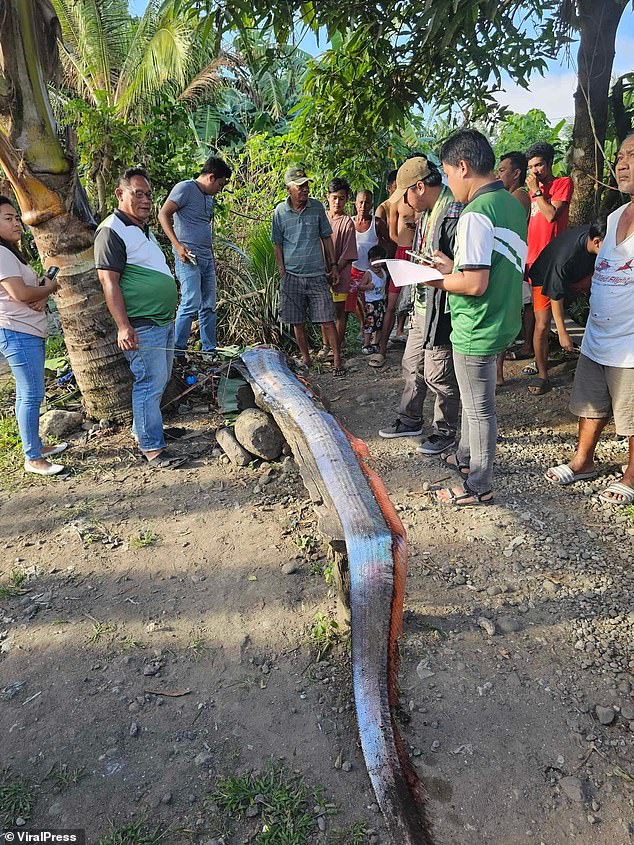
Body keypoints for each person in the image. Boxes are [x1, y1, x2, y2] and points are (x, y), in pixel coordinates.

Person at [428, 129, 528, 506]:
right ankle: (465, 457)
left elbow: (474, 284)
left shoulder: (474, 213)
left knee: (480, 408)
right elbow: (493, 265)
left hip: (476, 325)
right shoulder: (511, 204)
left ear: (464, 167)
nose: (448, 183)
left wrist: (435, 278)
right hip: (503, 318)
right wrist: (454, 267)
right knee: (475, 400)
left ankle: (479, 484)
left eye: (448, 173)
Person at [545, 134, 634, 505]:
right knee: (590, 403)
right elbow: (605, 268)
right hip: (600, 333)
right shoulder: (614, 217)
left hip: (631, 344)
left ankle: (632, 474)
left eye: (633, 155)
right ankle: (583, 461)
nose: (622, 163)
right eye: (620, 156)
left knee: (631, 413)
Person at [95, 168, 185, 470]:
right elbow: (109, 282)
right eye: (138, 193)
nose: (146, 200)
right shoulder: (111, 231)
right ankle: (151, 447)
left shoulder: (141, 228)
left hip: (161, 321)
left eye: (148, 194)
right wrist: (123, 326)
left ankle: (146, 429)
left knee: (158, 380)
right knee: (149, 381)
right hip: (142, 323)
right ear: (120, 194)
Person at [377, 156, 462, 455]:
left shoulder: (453, 212)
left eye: (407, 195)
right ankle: (410, 418)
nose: (406, 203)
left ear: (421, 186)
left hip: (443, 307)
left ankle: (446, 430)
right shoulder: (426, 212)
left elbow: (460, 268)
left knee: (439, 372)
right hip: (423, 303)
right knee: (412, 365)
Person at [0, 196, 68, 476]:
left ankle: (37, 447)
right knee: (29, 395)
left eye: (16, 217)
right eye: (8, 218)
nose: (17, 222)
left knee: (32, 393)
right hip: (17, 331)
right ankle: (33, 458)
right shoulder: (1, 253)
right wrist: (48, 289)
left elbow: (25, 295)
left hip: (25, 329)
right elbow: (21, 294)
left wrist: (41, 290)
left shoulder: (10, 252)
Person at [272, 165, 344, 377]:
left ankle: (338, 360)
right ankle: (306, 358)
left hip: (316, 274)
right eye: (300, 186)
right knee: (297, 320)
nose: (305, 189)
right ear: (289, 189)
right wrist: (282, 271)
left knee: (327, 318)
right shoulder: (280, 212)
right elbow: (277, 243)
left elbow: (326, 238)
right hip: (292, 275)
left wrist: (332, 266)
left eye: (306, 186)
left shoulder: (317, 208)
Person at [158, 156, 231, 365]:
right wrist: (177, 246)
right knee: (190, 302)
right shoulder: (184, 188)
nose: (220, 188)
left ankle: (209, 351)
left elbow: (204, 228)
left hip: (206, 257)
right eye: (220, 184)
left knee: (208, 305)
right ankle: (177, 351)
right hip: (188, 256)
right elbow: (163, 215)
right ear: (210, 177)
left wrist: (212, 257)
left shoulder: (208, 197)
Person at [525, 142, 573, 395]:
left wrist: (536, 192)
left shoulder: (561, 183)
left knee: (550, 316)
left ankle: (565, 345)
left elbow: (552, 215)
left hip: (556, 259)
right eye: (531, 166)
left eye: (539, 164)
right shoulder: (533, 189)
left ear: (549, 163)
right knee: (541, 322)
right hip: (535, 261)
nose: (536, 171)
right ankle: (543, 373)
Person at [530, 218, 606, 353]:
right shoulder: (564, 260)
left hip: (574, 275)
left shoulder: (596, 236)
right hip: (544, 274)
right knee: (542, 325)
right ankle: (542, 372)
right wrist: (562, 333)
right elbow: (555, 296)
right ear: (596, 242)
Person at [496, 151, 533, 386]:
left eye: (502, 170)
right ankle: (497, 372)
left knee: (500, 316)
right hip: (510, 262)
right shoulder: (513, 196)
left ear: (516, 173)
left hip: (509, 264)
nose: (498, 175)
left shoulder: (518, 197)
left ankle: (497, 374)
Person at [320, 178, 357, 359]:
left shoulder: (347, 222)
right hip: (321, 270)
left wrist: (335, 269)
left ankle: (338, 345)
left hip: (340, 273)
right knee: (322, 309)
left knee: (338, 311)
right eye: (334, 197)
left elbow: (348, 252)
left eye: (341, 198)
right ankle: (326, 345)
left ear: (346, 199)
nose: (337, 202)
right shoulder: (322, 218)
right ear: (328, 197)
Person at [358, 244, 388, 354]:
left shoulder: (384, 273)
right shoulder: (368, 274)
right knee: (369, 324)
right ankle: (366, 344)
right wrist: (367, 287)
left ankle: (376, 343)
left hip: (381, 302)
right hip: (371, 303)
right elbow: (360, 286)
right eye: (373, 261)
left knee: (380, 324)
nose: (376, 264)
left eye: (379, 261)